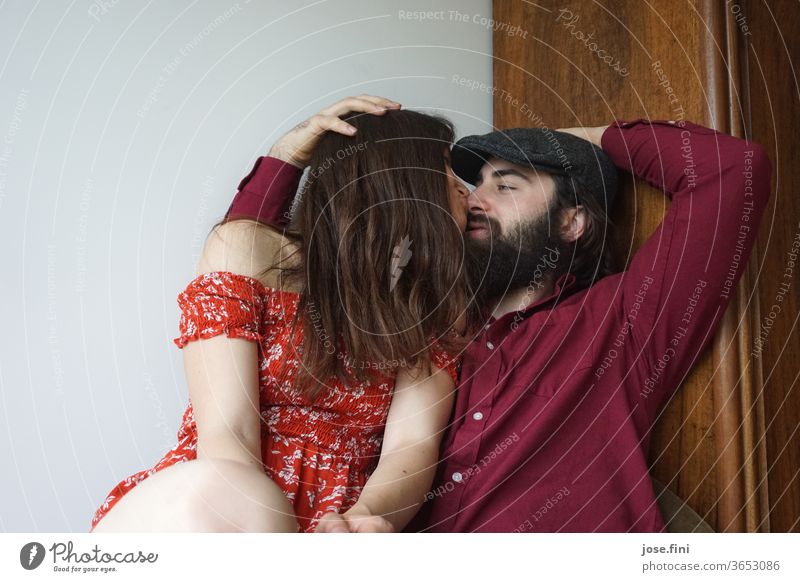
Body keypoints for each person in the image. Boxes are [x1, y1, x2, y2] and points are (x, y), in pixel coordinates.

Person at [229, 109, 772, 532]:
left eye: (505, 185)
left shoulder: (625, 318)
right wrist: (286, 159)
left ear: (571, 220)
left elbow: (733, 170)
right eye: (472, 185)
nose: (473, 200)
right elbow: (239, 288)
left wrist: (564, 138)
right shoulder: (418, 323)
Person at [89, 96, 477, 533]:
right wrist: (286, 156)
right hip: (220, 505)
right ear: (401, 181)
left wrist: (363, 519)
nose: (465, 189)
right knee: (226, 487)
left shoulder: (437, 305)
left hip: (340, 521)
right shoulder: (246, 249)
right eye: (445, 168)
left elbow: (411, 445)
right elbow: (228, 432)